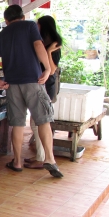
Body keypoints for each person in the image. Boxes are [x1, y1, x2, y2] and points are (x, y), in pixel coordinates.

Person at [0, 5, 63, 178]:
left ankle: (16, 162)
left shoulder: (2, 34)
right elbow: (38, 45)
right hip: (33, 81)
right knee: (43, 120)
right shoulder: (29, 25)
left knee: (18, 124)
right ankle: (50, 159)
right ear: (22, 17)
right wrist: (46, 68)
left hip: (12, 84)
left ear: (6, 21)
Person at [26, 16, 63, 170]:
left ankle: (42, 158)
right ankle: (41, 156)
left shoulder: (53, 44)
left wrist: (48, 51)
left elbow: (52, 69)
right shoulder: (44, 41)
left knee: (38, 122)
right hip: (41, 84)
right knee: (36, 122)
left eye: (38, 25)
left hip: (47, 85)